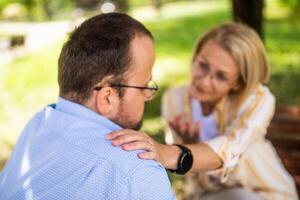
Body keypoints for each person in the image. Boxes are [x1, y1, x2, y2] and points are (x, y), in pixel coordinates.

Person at [106, 23, 298, 199]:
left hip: (265, 193)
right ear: (196, 56)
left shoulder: (257, 98)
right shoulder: (175, 98)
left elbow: (232, 148)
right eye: (203, 65)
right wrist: (190, 145)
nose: (204, 81)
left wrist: (172, 152)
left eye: (221, 76)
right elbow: (188, 174)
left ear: (238, 83)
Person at [0, 13, 176, 200]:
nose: (148, 96)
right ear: (107, 98)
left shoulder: (39, 123)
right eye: (144, 86)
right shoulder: (138, 172)